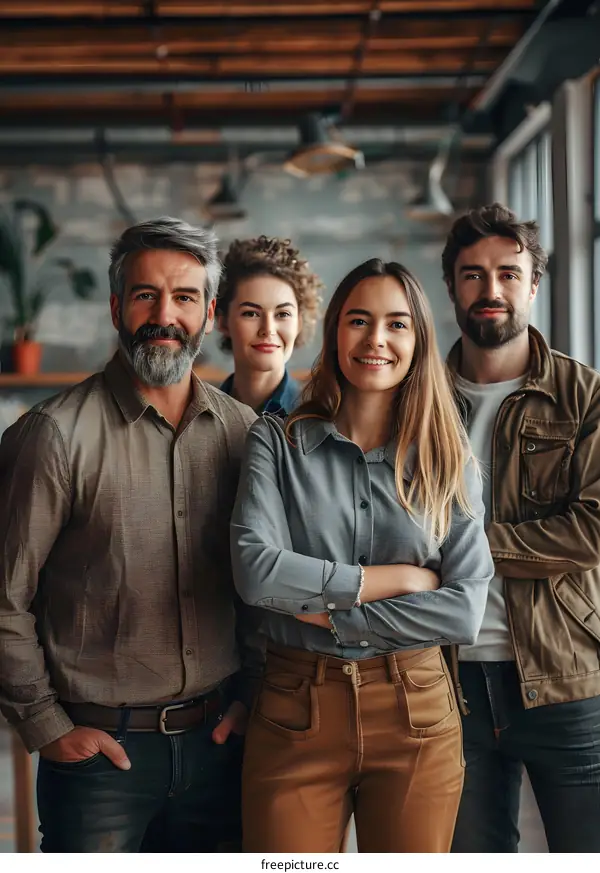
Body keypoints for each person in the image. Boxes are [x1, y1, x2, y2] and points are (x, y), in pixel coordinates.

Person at [0, 217, 262, 853]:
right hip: (98, 764)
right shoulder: (52, 436)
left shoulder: (244, 433)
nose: (164, 315)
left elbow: (261, 591)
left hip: (220, 750)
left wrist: (252, 697)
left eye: (185, 297)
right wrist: (47, 726)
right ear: (117, 307)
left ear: (209, 314)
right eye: (147, 295)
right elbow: (5, 599)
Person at [231, 258, 494, 853]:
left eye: (397, 324)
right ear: (334, 333)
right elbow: (257, 572)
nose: (376, 339)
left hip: (416, 712)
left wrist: (332, 615)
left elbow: (463, 611)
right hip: (295, 709)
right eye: (359, 321)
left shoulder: (449, 459)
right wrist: (399, 578)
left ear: (418, 341)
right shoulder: (275, 442)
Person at [443, 203, 600, 853]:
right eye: (473, 274)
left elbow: (592, 529)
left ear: (533, 284)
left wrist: (470, 549)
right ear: (452, 286)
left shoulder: (584, 395)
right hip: (445, 681)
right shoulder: (416, 397)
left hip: (565, 674)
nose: (492, 289)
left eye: (508, 273)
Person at [216, 235, 322, 415]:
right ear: (223, 321)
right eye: (251, 313)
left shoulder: (317, 420)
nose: (268, 329)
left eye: (283, 314)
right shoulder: (195, 416)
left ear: (299, 323)